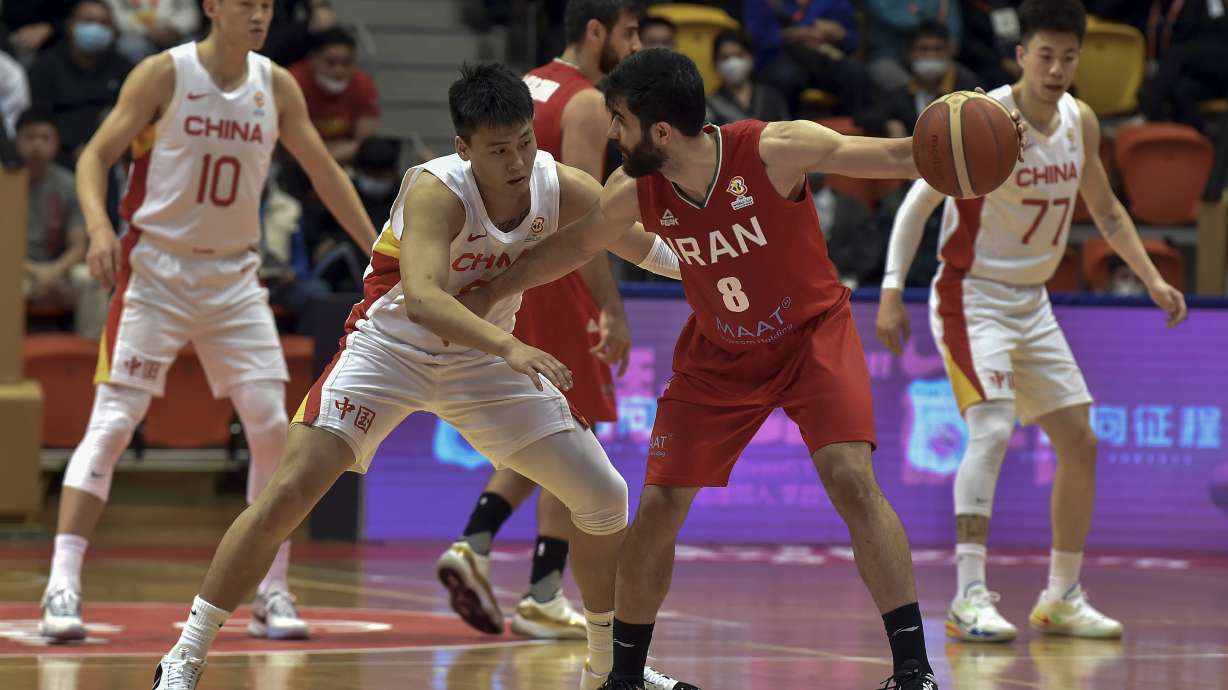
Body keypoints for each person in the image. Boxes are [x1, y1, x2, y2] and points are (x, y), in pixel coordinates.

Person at [463, 47, 1007, 690]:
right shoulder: (633, 190)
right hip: (719, 353)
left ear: (659, 132)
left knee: (850, 480)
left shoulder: (776, 148)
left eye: (619, 119)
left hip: (810, 338)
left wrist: (988, 126)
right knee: (660, 504)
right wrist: (488, 293)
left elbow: (896, 156)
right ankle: (625, 679)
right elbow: (570, 248)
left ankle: (912, 671)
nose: (612, 131)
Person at [144, 62, 692, 690]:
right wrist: (512, 348)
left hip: (479, 363)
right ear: (464, 149)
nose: (516, 161)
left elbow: (640, 242)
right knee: (286, 497)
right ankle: (184, 658)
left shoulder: (557, 184)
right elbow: (426, 299)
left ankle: (607, 672)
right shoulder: (436, 189)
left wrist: (707, 266)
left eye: (524, 143)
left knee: (603, 497)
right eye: (497, 150)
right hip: (390, 350)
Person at [38, 0, 379, 646]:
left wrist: (377, 250)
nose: (259, 15)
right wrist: (98, 225)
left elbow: (325, 173)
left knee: (273, 426)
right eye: (246, 3)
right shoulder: (163, 75)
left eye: (267, 6)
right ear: (212, 7)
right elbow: (93, 157)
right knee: (112, 424)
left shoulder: (275, 84)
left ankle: (272, 589)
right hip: (156, 270)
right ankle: (61, 584)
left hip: (233, 277)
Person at [875, 0, 1187, 645]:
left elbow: (1105, 211)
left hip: (1034, 301)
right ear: (1021, 55)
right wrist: (889, 288)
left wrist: (1152, 276)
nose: (1056, 68)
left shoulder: (1081, 120)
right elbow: (916, 200)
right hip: (972, 295)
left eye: (1068, 57)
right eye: (1044, 55)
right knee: (990, 429)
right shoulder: (982, 116)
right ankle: (967, 599)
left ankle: (1061, 596)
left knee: (1081, 441)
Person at [437, 0, 640, 643]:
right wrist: (610, 304)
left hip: (512, 265)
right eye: (631, 32)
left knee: (552, 428)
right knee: (566, 427)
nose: (636, 46)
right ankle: (533, 586)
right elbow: (590, 216)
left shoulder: (529, 82)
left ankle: (493, 554)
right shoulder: (584, 101)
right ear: (597, 31)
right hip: (553, 273)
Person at [16, 107, 108, 337]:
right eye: (29, 137)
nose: (37, 144)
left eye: (45, 138)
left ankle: (91, 357)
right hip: (15, 271)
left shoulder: (69, 185)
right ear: (16, 141)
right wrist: (37, 271)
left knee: (92, 281)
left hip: (58, 270)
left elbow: (78, 246)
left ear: (56, 143)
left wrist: (54, 270)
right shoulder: (5, 184)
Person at [28, 0, 135, 165]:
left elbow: (130, 117)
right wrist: (72, 149)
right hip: (59, 157)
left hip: (109, 155)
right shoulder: (45, 67)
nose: (95, 28)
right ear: (71, 25)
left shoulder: (123, 68)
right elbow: (40, 118)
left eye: (103, 23)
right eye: (88, 21)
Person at [288, 27, 380, 164]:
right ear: (313, 60)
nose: (339, 70)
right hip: (296, 160)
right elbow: (285, 139)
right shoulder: (292, 82)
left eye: (346, 63)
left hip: (342, 160)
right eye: (330, 62)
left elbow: (366, 143)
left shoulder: (363, 84)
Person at [882, 22, 982, 135]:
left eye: (937, 49)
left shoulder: (968, 89)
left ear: (950, 50)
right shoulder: (899, 96)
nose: (931, 55)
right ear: (910, 53)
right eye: (923, 49)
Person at [704, 29, 790, 125]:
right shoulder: (710, 105)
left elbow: (787, 134)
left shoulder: (772, 97)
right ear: (715, 63)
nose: (733, 63)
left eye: (739, 55)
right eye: (725, 57)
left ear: (751, 58)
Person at [104, 0, 202, 63]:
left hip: (174, 31)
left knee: (191, 46)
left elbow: (189, 11)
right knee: (130, 46)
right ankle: (143, 87)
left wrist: (177, 29)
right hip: (138, 33)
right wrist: (146, 31)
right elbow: (117, 16)